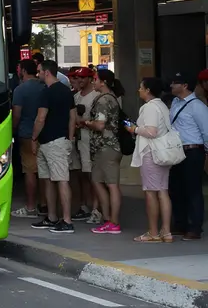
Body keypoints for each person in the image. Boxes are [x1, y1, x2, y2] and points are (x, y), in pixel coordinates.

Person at [30, 60, 77, 234]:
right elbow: (72, 117)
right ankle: (52, 217)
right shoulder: (66, 91)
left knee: (59, 180)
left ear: (46, 73)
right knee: (51, 179)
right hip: (60, 140)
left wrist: (33, 138)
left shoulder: (46, 93)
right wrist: (70, 138)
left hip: (50, 142)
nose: (37, 74)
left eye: (39, 71)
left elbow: (40, 118)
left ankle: (66, 220)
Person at [126, 77, 174, 243]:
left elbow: (152, 131)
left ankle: (153, 231)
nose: (139, 90)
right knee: (162, 191)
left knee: (151, 193)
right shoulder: (162, 106)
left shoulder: (150, 107)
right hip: (162, 153)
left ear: (147, 90)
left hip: (151, 153)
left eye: (141, 87)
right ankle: (166, 231)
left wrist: (134, 129)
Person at [84, 69, 125, 234]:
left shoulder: (103, 100)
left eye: (95, 79)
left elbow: (100, 125)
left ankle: (113, 221)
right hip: (106, 147)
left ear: (104, 82)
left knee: (111, 185)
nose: (93, 82)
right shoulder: (113, 98)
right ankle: (108, 219)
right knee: (99, 182)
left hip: (106, 147)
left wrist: (87, 122)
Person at [169, 73, 208, 241]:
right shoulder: (175, 103)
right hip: (176, 151)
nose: (171, 85)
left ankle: (194, 227)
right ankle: (180, 224)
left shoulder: (197, 106)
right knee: (176, 189)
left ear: (185, 86)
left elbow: (206, 131)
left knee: (193, 190)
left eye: (175, 82)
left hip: (193, 151)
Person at [11, 59, 48, 219]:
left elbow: (16, 115)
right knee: (43, 171)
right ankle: (44, 204)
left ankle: (31, 207)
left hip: (26, 134)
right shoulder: (44, 87)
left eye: (19, 68)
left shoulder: (20, 90)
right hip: (45, 134)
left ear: (24, 71)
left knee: (30, 172)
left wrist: (11, 131)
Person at [72, 67, 101, 224]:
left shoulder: (96, 97)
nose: (80, 80)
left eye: (83, 77)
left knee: (93, 176)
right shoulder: (76, 96)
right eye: (78, 78)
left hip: (91, 141)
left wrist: (84, 123)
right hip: (78, 140)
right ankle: (84, 206)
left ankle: (97, 209)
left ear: (90, 78)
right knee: (82, 175)